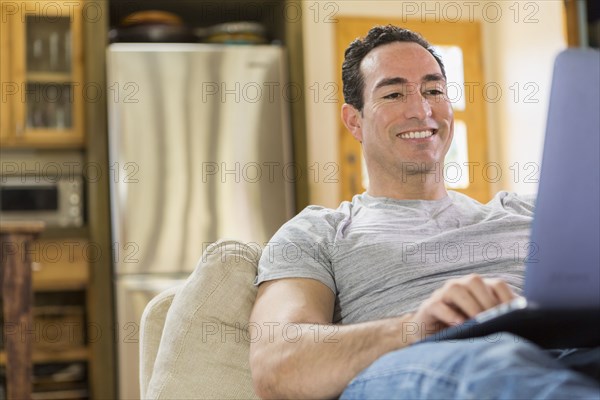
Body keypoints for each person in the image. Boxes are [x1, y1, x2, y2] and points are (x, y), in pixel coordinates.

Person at [248, 25, 600, 399]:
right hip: (430, 365)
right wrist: (417, 326)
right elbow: (278, 364)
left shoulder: (529, 212)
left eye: (434, 91)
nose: (421, 110)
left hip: (564, 356)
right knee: (491, 363)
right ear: (355, 121)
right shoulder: (317, 232)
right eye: (394, 94)